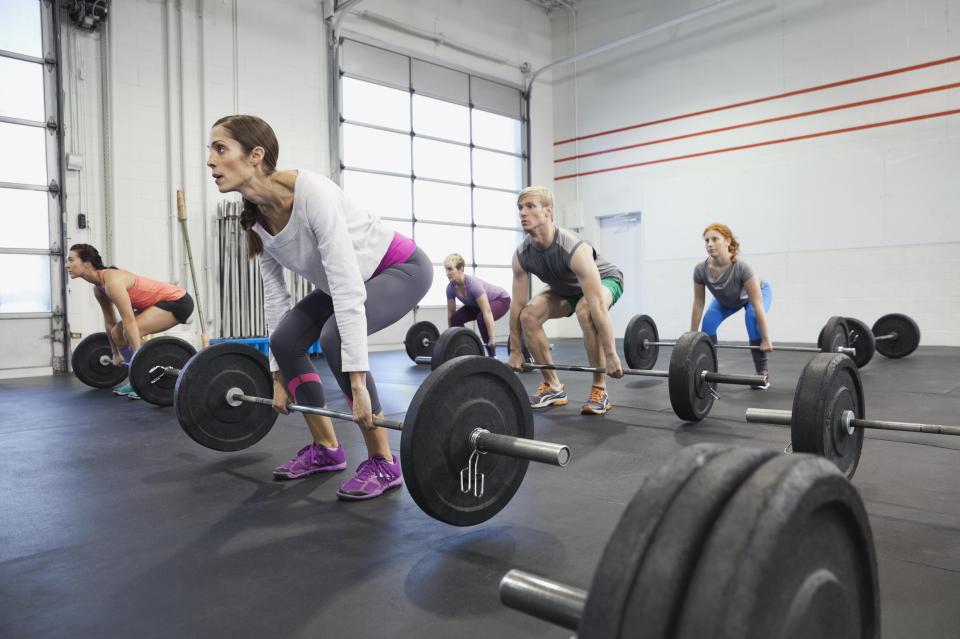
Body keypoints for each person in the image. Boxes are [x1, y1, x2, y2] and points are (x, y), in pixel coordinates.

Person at [208, 114, 432, 500]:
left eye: (220, 149)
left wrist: (358, 383)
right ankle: (327, 449)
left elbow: (346, 283)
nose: (210, 161)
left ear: (255, 155)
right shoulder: (256, 219)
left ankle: (383, 461)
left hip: (400, 268)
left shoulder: (312, 193)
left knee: (333, 337)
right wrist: (278, 376)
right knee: (284, 339)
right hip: (345, 281)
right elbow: (275, 297)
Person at [507, 186, 624, 415]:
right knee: (528, 316)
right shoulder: (522, 255)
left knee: (586, 310)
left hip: (605, 280)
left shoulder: (572, 247)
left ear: (548, 211)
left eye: (530, 206)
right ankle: (553, 386)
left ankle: (600, 389)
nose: (522, 212)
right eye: (520, 207)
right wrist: (516, 350)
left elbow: (597, 304)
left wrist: (611, 355)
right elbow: (517, 305)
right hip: (564, 288)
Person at [66, 243, 194, 399]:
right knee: (117, 334)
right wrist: (115, 353)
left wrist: (139, 361)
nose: (67, 265)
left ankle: (143, 379)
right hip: (154, 305)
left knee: (131, 331)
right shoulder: (99, 289)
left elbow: (130, 322)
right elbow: (110, 324)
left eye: (71, 260)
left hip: (178, 301)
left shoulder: (112, 282)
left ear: (86, 262)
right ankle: (138, 379)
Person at [690, 223, 772, 389]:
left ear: (727, 241)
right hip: (726, 300)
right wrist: (691, 337)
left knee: (751, 318)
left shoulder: (741, 267)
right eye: (706, 240)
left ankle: (762, 372)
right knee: (708, 325)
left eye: (715, 239)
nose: (709, 244)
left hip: (753, 297)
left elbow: (757, 304)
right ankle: (709, 372)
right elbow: (698, 303)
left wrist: (766, 338)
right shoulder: (700, 269)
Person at [444, 253, 511, 357]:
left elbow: (487, 311)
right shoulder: (450, 288)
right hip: (477, 305)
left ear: (461, 268)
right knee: (455, 319)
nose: (447, 273)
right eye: (446, 270)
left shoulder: (473, 284)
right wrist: (449, 336)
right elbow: (451, 313)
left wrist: (492, 338)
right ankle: (467, 344)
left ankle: (493, 357)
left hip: (501, 299)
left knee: (482, 318)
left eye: (450, 269)